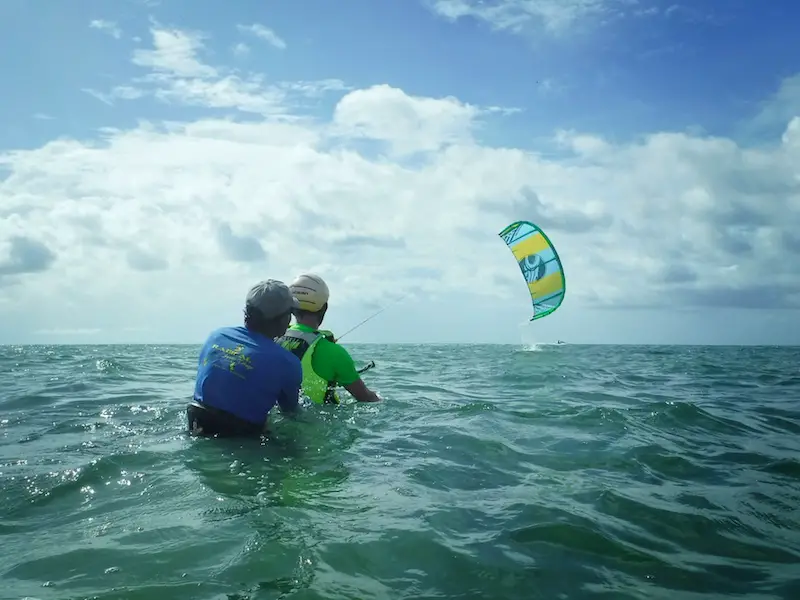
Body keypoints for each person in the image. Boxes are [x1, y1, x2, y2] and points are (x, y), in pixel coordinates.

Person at [188, 279, 303, 437]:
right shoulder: (288, 362)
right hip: (245, 441)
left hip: (197, 425)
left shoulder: (215, 336)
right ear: (283, 319)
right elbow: (289, 412)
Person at [275, 273, 381, 404]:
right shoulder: (335, 353)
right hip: (316, 422)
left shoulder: (273, 338)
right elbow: (365, 397)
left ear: (292, 308)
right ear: (324, 308)